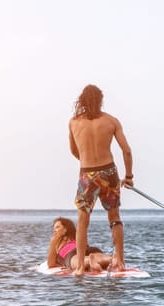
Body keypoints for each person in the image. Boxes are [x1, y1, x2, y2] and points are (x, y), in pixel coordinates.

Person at [69, 84, 133, 276]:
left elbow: (74, 151)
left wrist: (89, 164)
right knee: (114, 218)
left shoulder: (73, 122)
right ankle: (120, 261)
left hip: (87, 173)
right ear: (100, 100)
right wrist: (128, 176)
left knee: (82, 221)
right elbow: (126, 151)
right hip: (109, 172)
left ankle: (80, 266)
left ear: (82, 100)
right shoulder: (111, 121)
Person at [46, 217, 112, 273]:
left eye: (57, 227)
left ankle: (90, 262)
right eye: (54, 228)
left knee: (77, 260)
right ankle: (110, 259)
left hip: (71, 254)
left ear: (65, 229)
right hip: (88, 249)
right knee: (98, 256)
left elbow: (51, 264)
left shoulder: (57, 242)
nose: (54, 230)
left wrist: (53, 242)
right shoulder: (77, 238)